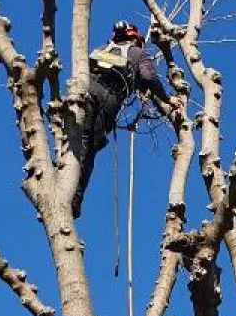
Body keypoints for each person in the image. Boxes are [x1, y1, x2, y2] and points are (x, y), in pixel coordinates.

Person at [68, 21, 182, 216]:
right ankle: (74, 198)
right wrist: (167, 98)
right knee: (88, 147)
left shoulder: (102, 49)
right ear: (136, 38)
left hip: (83, 90)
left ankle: (63, 177)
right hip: (108, 97)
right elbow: (147, 77)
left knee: (75, 139)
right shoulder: (137, 53)